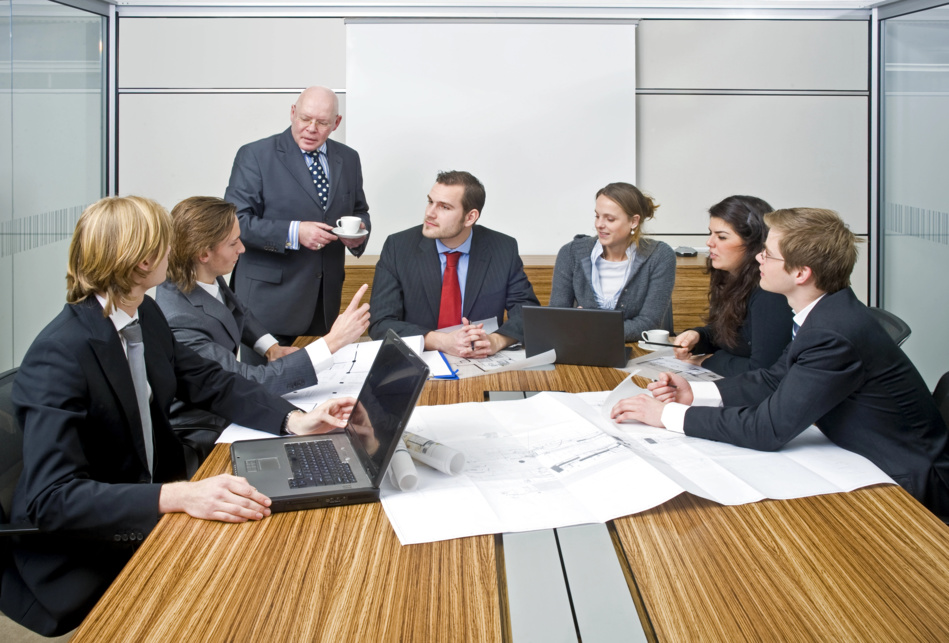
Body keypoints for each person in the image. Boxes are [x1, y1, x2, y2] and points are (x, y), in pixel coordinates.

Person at [2, 196, 356, 636]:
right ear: (142, 262)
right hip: (90, 549)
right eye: (167, 243)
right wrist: (178, 496)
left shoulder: (143, 313)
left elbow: (210, 381)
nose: (175, 250)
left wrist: (292, 420)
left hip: (155, 504)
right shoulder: (60, 354)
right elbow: (51, 499)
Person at [611, 208, 949, 518]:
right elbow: (774, 379)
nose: (758, 257)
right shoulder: (824, 312)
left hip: (907, 486)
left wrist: (666, 415)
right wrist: (695, 394)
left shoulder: (833, 332)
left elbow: (768, 430)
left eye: (768, 254)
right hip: (857, 459)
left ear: (801, 272)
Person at [156, 196, 369, 452]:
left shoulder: (203, 275)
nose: (242, 249)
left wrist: (271, 348)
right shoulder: (179, 319)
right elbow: (242, 383)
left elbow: (237, 311)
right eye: (233, 243)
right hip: (204, 429)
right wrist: (331, 343)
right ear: (203, 253)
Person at [225, 86, 370, 360]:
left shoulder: (349, 158)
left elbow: (359, 211)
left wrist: (358, 234)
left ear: (336, 123)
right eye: (305, 118)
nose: (311, 129)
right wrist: (294, 232)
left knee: (323, 384)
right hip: (267, 307)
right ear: (293, 113)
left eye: (322, 122)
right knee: (264, 385)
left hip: (324, 307)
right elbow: (236, 222)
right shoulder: (255, 155)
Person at [368, 170, 539, 357]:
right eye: (430, 202)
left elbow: (527, 313)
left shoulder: (503, 248)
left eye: (444, 207)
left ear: (470, 217)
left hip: (481, 360)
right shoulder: (398, 247)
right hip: (420, 358)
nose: (429, 213)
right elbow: (381, 323)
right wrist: (441, 341)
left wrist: (495, 341)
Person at [672, 195, 792, 376]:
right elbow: (733, 335)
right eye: (710, 233)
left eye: (721, 237)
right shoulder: (728, 276)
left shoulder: (770, 293)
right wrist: (698, 337)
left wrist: (708, 360)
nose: (709, 242)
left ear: (753, 243)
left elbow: (763, 369)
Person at [548, 182, 675, 342]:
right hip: (583, 347)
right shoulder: (571, 253)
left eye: (610, 219)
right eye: (597, 216)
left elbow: (649, 323)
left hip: (637, 349)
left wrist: (591, 327)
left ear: (634, 221)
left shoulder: (659, 256)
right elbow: (557, 317)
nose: (599, 225)